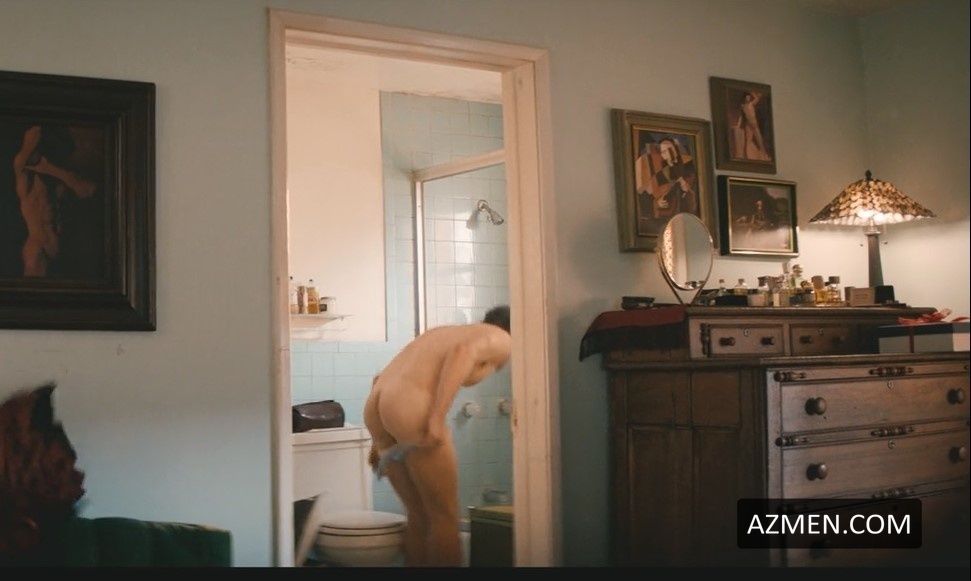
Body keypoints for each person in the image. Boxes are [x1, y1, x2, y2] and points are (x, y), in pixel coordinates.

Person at [363, 305, 512, 567]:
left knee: (418, 516)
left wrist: (379, 442)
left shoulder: (442, 333)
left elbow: (380, 378)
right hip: (410, 409)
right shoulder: (501, 337)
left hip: (379, 405)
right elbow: (463, 352)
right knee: (445, 517)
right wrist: (436, 417)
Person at [12, 125, 96, 277]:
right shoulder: (26, 176)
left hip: (64, 252)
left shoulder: (61, 177)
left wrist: (49, 168)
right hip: (39, 248)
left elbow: (89, 191)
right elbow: (34, 133)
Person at [735, 91, 770, 161]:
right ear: (744, 98)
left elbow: (757, 99)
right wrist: (738, 125)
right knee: (748, 139)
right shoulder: (743, 106)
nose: (748, 99)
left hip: (754, 123)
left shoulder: (751, 104)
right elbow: (741, 116)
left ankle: (763, 152)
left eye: (749, 97)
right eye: (747, 97)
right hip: (748, 124)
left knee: (758, 138)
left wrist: (752, 92)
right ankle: (749, 155)